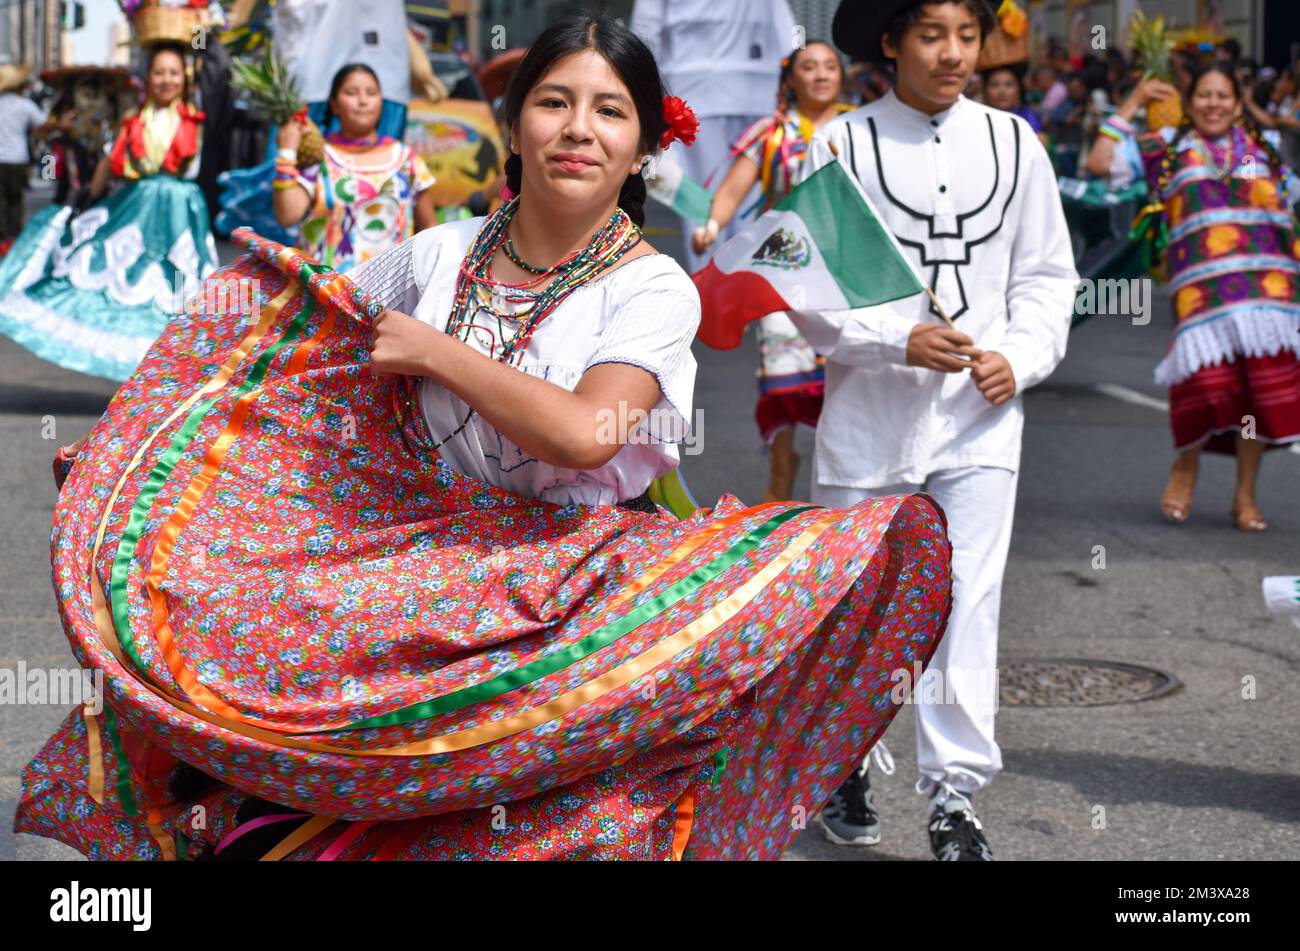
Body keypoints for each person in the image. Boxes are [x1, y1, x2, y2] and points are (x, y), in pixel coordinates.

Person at [16, 13, 955, 863]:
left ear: (642, 147)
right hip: (405, 580)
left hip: (563, 603)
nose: (579, 129)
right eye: (554, 102)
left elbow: (591, 432)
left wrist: (440, 354)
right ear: (514, 127)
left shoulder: (652, 287)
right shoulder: (434, 255)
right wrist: (150, 455)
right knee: (288, 768)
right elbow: (304, 347)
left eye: (609, 111)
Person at [796, 0, 1078, 860]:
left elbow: (1046, 275)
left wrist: (1019, 358)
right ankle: (840, 757)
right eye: (932, 36)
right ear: (890, 43)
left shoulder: (1018, 143)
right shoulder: (838, 145)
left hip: (980, 419)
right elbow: (810, 299)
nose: (954, 54)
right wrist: (895, 338)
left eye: (967, 35)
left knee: (970, 602)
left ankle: (955, 800)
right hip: (870, 413)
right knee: (852, 602)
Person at [1085, 65, 1300, 532]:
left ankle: (1245, 496)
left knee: (1253, 400)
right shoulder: (1166, 146)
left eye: (1224, 95)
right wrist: (1134, 102)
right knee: (1202, 388)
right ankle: (1186, 465)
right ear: (1190, 100)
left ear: (1239, 104)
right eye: (1204, 94)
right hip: (1203, 300)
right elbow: (1098, 164)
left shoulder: (1263, 151)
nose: (1214, 103)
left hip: (1269, 300)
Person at [692, 42, 852, 502]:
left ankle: (837, 473)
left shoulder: (859, 126)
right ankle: (782, 469)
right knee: (784, 376)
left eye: (829, 66)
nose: (821, 74)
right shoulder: (773, 131)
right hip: (783, 268)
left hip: (844, 272)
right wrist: (712, 226)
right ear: (790, 79)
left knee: (843, 373)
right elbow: (735, 187)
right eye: (809, 67)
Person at [0, 43, 218, 381]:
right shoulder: (132, 122)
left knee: (179, 288)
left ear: (185, 79)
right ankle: (136, 369)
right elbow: (109, 161)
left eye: (174, 73)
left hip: (182, 215)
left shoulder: (198, 118)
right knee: (123, 279)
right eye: (159, 72)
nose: (166, 80)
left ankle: (173, 376)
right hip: (139, 209)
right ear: (148, 78)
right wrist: (83, 200)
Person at [630, 0, 798, 272]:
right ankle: (736, 287)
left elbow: (645, 31)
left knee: (703, 201)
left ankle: (715, 290)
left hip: (701, 88)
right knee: (747, 202)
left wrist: (639, 84)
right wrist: (796, 64)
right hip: (753, 89)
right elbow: (789, 30)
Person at [273, 63, 437, 273]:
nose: (363, 101)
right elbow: (287, 215)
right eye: (351, 93)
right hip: (327, 293)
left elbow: (429, 226)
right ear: (334, 104)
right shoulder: (320, 156)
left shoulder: (406, 160)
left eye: (371, 93)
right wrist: (287, 152)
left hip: (390, 297)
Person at [0, 64, 64, 244]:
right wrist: (63, 125)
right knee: (15, 202)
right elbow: (44, 125)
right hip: (17, 160)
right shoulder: (24, 105)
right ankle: (12, 240)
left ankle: (2, 238)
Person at [984, 63, 1048, 147]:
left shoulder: (1027, 117)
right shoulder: (978, 119)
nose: (1002, 91)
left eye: (1009, 85)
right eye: (995, 85)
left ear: (1018, 89)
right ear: (985, 90)